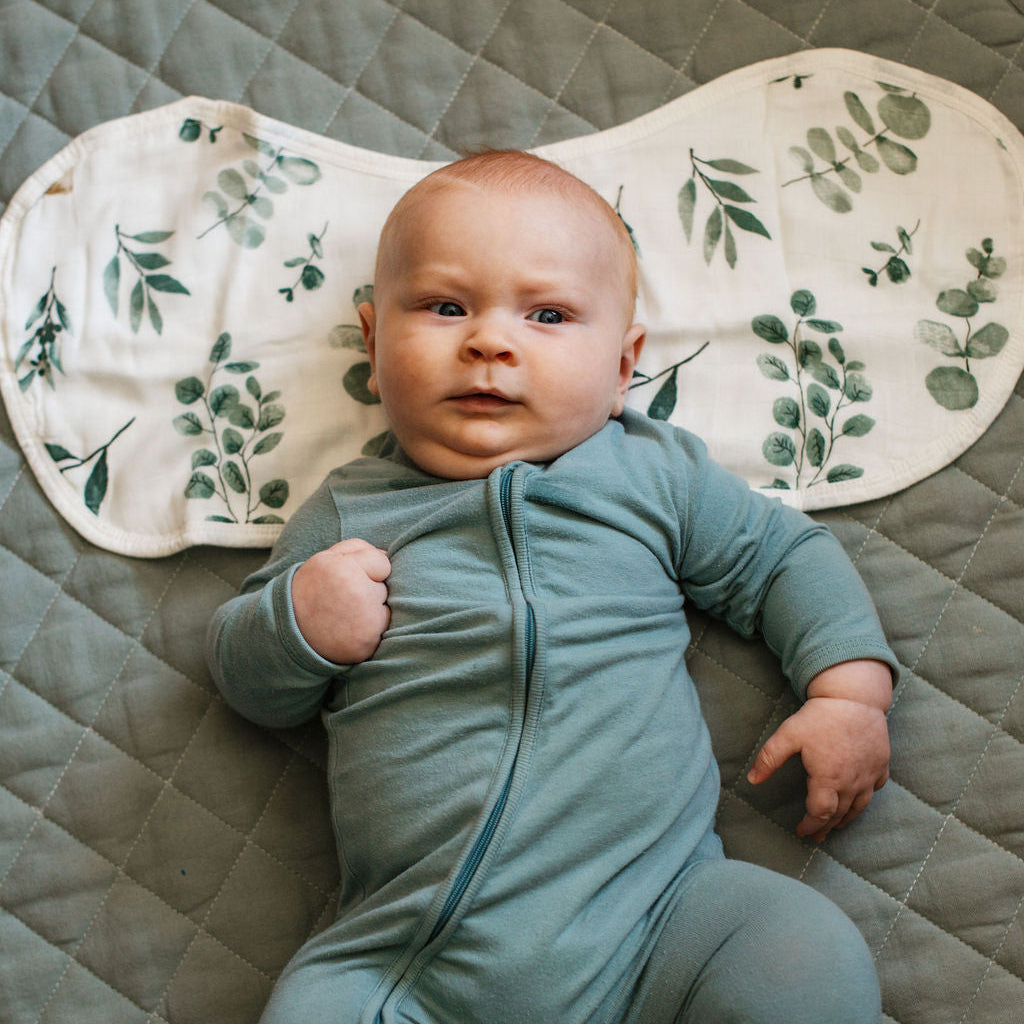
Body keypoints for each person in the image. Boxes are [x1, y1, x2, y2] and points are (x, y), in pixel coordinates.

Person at [207, 150, 897, 1024]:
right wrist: (296, 624)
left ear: (621, 366)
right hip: (412, 962)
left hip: (660, 925)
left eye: (548, 314)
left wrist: (849, 693)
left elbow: (782, 557)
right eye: (446, 306)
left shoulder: (653, 475)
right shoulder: (350, 511)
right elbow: (244, 678)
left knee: (798, 951)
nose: (490, 340)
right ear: (375, 347)